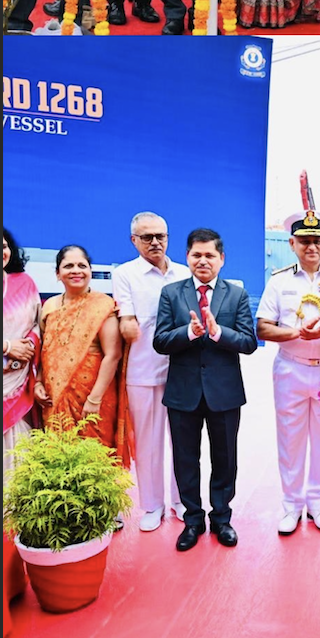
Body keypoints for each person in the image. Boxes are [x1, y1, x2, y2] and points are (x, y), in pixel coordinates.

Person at [153, 229, 256, 551]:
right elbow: (160, 341)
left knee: (225, 459)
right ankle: (192, 521)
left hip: (224, 392)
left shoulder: (236, 295)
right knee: (186, 460)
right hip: (183, 392)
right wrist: (188, 331)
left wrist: (216, 332)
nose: (203, 261)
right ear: (187, 257)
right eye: (196, 255)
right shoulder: (171, 293)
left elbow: (249, 342)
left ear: (221, 259)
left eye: (210, 255)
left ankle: (222, 519)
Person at [256, 210, 320, 536]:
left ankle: (318, 503)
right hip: (291, 368)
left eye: (317, 240)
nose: (312, 247)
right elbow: (263, 328)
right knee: (290, 439)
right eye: (305, 241)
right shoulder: (279, 281)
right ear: (293, 243)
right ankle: (291, 505)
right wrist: (297, 334)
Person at [111, 211, 190, 531]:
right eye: (147, 237)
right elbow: (128, 323)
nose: (155, 242)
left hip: (182, 370)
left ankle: (182, 501)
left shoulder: (184, 272)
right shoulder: (125, 274)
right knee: (147, 441)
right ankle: (152, 505)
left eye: (161, 236)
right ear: (134, 241)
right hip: (143, 372)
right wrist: (129, 323)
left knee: (183, 441)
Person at [35, 244, 131, 462]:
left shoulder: (103, 305)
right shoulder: (49, 306)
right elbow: (46, 351)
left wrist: (94, 399)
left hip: (93, 397)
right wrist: (38, 382)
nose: (76, 270)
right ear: (58, 274)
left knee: (94, 460)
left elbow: (112, 355)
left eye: (82, 265)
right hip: (54, 398)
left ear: (90, 271)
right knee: (57, 461)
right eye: (68, 266)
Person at [3, 229, 41, 474]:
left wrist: (26, 347)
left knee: (18, 448)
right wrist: (7, 347)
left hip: (15, 382)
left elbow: (37, 324)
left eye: (4, 246)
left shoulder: (23, 282)